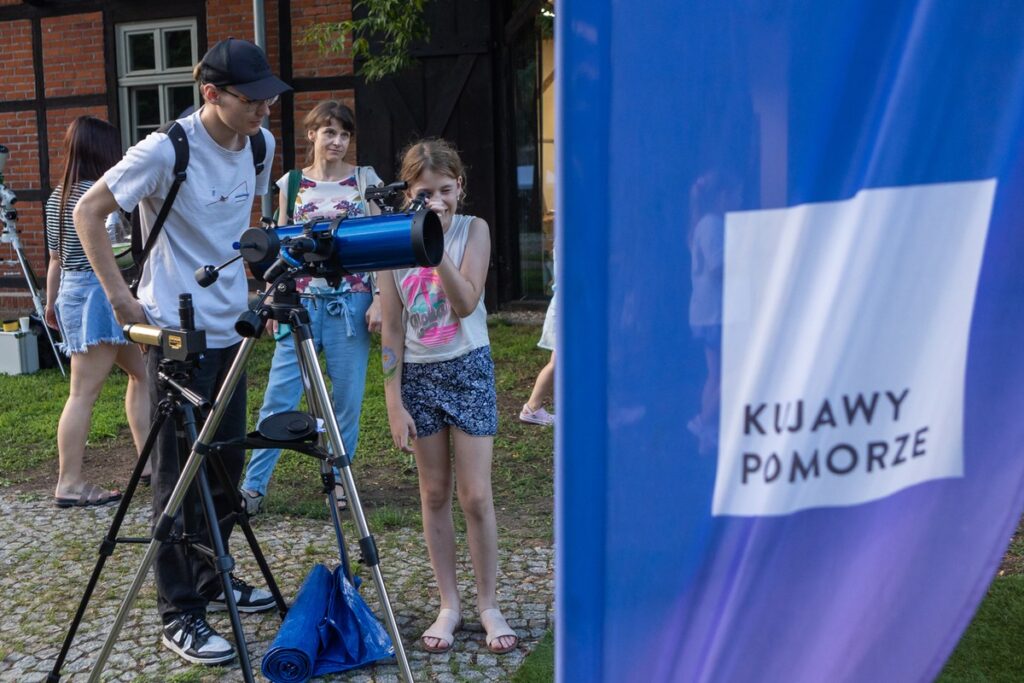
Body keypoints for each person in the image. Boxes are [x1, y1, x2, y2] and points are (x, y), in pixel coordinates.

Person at [73, 38, 290, 666]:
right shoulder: (167, 148)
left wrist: (259, 284)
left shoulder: (259, 144)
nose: (263, 113)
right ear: (212, 94)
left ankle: (211, 578)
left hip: (232, 329)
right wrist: (119, 300)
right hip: (175, 330)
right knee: (176, 473)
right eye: (251, 101)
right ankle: (180, 613)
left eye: (268, 101)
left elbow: (241, 228)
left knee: (222, 464)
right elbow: (90, 212)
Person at [379, 139, 518, 655]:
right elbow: (391, 329)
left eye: (445, 189)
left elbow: (465, 303)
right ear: (407, 195)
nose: (437, 198)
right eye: (424, 192)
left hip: (469, 367)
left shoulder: (471, 230)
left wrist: (433, 242)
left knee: (475, 495)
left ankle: (488, 603)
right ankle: (449, 604)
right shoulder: (391, 242)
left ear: (460, 186)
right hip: (420, 376)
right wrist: (394, 401)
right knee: (434, 494)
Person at [239, 100, 382, 515]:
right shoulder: (291, 183)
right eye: (329, 132)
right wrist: (275, 299)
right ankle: (253, 488)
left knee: (347, 399)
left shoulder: (364, 179)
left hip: (350, 304)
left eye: (344, 134)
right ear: (312, 134)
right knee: (278, 397)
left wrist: (380, 300)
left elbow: (380, 246)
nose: (337, 141)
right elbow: (280, 245)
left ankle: (339, 481)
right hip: (300, 303)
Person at [44, 115, 150, 508]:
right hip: (100, 293)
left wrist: (50, 301)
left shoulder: (58, 195)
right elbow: (117, 250)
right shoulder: (99, 193)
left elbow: (55, 258)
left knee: (141, 374)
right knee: (83, 393)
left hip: (74, 291)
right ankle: (69, 483)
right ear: (102, 151)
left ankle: (150, 463)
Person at [519, 248, 557, 426]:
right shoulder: (571, 239)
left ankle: (533, 408)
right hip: (568, 310)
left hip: (567, 308)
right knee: (557, 363)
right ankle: (532, 408)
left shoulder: (569, 237)